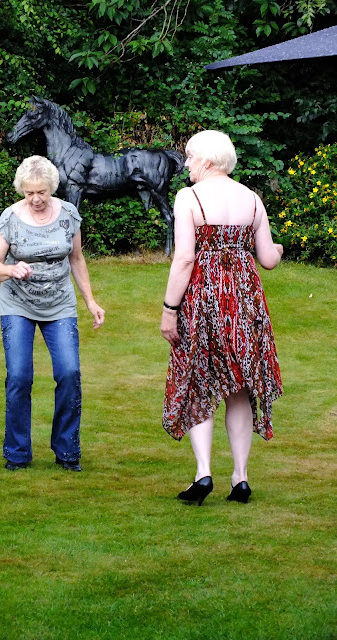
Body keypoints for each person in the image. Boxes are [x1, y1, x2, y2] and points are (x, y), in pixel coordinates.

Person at [160, 130, 283, 505]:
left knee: (200, 379)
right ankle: (240, 478)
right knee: (239, 386)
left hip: (204, 301)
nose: (186, 163)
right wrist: (278, 248)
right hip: (244, 302)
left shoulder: (190, 198)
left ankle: (203, 473)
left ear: (208, 160)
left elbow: (185, 258)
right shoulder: (252, 199)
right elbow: (268, 259)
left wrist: (169, 309)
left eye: (190, 156)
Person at [0, 155, 105, 472]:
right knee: (19, 376)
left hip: (59, 304)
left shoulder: (69, 214)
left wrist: (90, 301)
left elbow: (77, 259)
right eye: (29, 193)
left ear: (52, 187)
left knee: (69, 373)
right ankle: (17, 453)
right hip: (18, 304)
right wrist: (11, 269)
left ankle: (67, 451)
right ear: (22, 191)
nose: (36, 199)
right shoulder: (10, 218)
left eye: (41, 192)